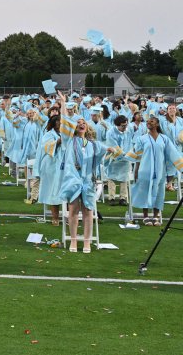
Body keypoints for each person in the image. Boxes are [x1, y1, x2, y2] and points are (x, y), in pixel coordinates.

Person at [56, 92, 113, 252]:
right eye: (78, 122)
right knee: (73, 210)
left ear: (87, 127)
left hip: (87, 180)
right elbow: (64, 122)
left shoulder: (93, 144)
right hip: (73, 180)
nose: (81, 124)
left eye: (83, 122)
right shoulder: (69, 140)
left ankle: (87, 241)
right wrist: (63, 103)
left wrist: (111, 149)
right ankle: (73, 240)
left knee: (88, 211)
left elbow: (105, 150)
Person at [126, 116, 183, 226]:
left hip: (160, 171)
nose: (148, 123)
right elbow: (138, 155)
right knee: (144, 191)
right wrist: (136, 170)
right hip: (145, 170)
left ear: (157, 124)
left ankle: (156, 216)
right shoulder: (142, 139)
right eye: (147, 122)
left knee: (159, 193)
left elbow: (173, 154)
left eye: (151, 121)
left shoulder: (164, 139)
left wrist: (181, 167)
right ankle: (146, 216)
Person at [36, 115, 64, 226]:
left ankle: (68, 217)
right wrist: (58, 142)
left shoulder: (65, 134)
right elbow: (46, 147)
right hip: (51, 165)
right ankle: (55, 218)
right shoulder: (48, 134)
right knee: (53, 191)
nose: (60, 123)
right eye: (58, 121)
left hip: (64, 165)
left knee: (64, 191)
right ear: (54, 122)